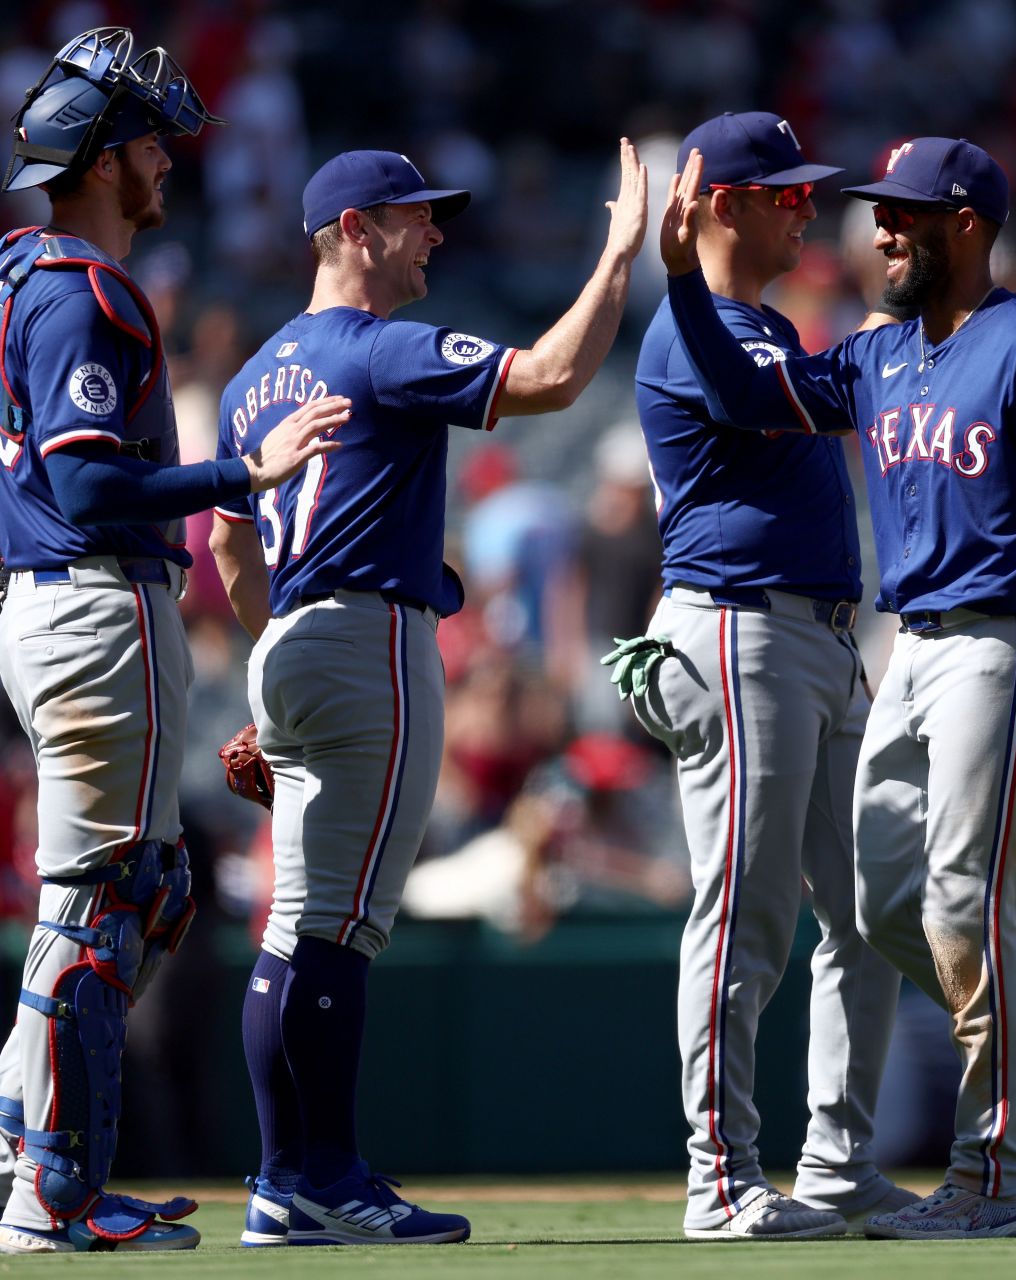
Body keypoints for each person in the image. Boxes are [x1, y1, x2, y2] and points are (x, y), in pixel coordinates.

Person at [655, 137, 1016, 1240]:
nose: (881, 229)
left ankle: (991, 1178)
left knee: (961, 906)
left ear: (970, 226)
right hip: (912, 649)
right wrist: (679, 284)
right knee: (881, 906)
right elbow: (746, 396)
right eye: (879, 211)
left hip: (1015, 641)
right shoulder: (876, 352)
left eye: (907, 213)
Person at [0, 27, 344, 1256]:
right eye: (153, 142)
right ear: (106, 158)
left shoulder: (13, 272)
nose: (167, 162)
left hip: (55, 603)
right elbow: (93, 489)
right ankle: (55, 1194)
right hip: (95, 599)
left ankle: (2, 1154)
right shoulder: (85, 289)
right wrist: (245, 470)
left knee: (137, 891)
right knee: (108, 901)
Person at [209, 141, 648, 1247]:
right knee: (341, 931)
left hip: (297, 639)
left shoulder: (255, 375)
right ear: (355, 230)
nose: (436, 234)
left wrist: (277, 654)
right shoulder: (379, 348)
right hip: (367, 638)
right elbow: (549, 378)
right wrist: (618, 255)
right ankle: (331, 1177)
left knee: (292, 924)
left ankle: (279, 1180)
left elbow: (225, 544)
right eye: (415, 217)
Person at [615, 111, 912, 1242]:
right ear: (722, 203)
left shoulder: (763, 321)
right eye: (784, 192)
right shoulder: (693, 326)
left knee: (874, 913)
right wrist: (679, 277)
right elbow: (755, 400)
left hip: (822, 642)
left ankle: (835, 1160)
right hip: (741, 634)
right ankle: (722, 1174)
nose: (806, 207)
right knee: (747, 912)